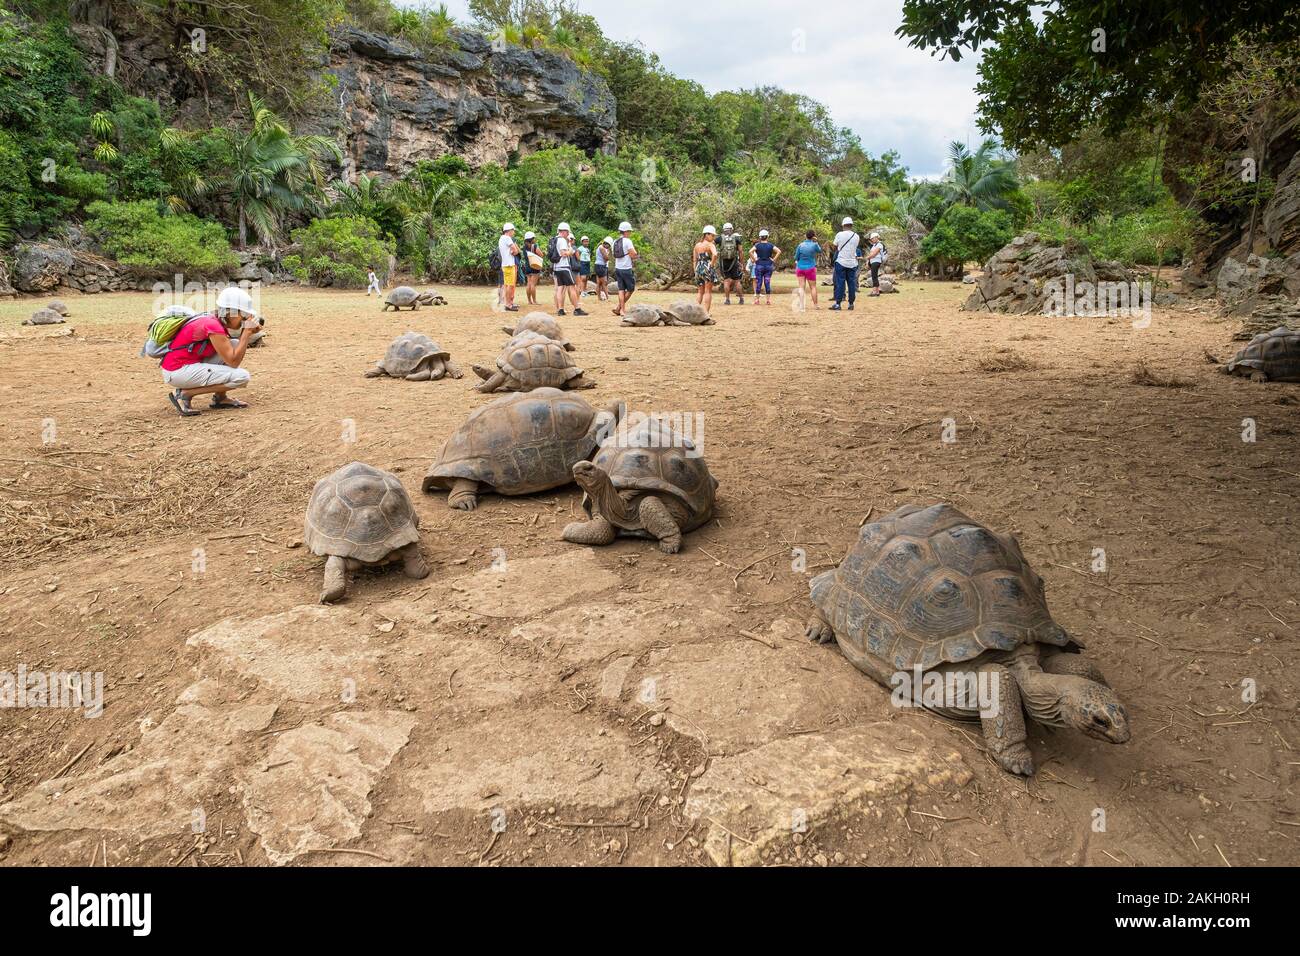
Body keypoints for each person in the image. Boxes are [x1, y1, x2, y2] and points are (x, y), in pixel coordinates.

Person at [161, 286, 259, 417]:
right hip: (177, 371)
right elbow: (233, 361)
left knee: (234, 344)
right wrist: (246, 333)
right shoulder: (213, 326)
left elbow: (230, 351)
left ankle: (220, 398)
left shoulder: (214, 317)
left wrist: (246, 331)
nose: (245, 319)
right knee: (241, 377)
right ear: (231, 312)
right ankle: (184, 393)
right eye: (244, 315)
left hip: (184, 365)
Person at [551, 222, 587, 316]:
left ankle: (560, 309)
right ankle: (577, 309)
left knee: (560, 288)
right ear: (564, 231)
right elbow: (564, 253)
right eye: (567, 232)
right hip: (564, 267)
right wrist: (571, 250)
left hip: (557, 267)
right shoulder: (562, 240)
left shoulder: (555, 239)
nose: (568, 234)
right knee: (572, 287)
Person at [830, 216, 863, 311]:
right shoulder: (856, 236)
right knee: (851, 283)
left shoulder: (839, 234)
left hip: (841, 262)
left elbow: (835, 246)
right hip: (853, 263)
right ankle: (851, 303)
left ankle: (838, 303)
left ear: (843, 225)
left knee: (840, 282)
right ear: (851, 225)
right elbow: (854, 247)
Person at [611, 222, 638, 317]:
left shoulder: (615, 241)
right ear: (626, 231)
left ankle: (621, 309)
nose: (630, 233)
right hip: (626, 268)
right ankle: (620, 308)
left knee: (621, 289)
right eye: (629, 231)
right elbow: (633, 254)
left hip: (618, 268)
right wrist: (636, 256)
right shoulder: (627, 241)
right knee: (630, 289)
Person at [749, 229, 781, 306]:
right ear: (767, 237)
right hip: (768, 266)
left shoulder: (757, 245)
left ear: (760, 237)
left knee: (759, 282)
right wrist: (773, 260)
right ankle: (768, 300)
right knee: (767, 282)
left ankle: (757, 300)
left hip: (759, 265)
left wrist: (755, 259)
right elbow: (779, 251)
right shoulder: (771, 245)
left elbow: (750, 251)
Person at [793, 230, 822, 310]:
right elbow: (820, 251)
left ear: (805, 236)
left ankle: (802, 306)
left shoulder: (800, 245)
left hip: (800, 268)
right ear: (813, 236)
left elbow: (796, 257)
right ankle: (816, 305)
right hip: (810, 268)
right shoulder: (814, 245)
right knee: (813, 287)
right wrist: (816, 242)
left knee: (801, 287)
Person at [694, 225, 720, 312]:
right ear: (706, 235)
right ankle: (706, 313)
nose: (714, 237)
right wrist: (711, 265)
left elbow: (694, 259)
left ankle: (696, 312)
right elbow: (715, 254)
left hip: (698, 267)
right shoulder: (710, 245)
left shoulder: (697, 245)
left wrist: (695, 270)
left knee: (700, 292)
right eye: (712, 235)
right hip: (707, 267)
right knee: (707, 291)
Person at [718, 222, 744, 305]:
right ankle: (741, 299)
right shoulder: (736, 239)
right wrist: (741, 263)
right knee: (737, 281)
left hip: (724, 262)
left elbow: (711, 247)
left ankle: (727, 300)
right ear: (732, 229)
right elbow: (740, 252)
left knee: (726, 281)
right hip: (734, 262)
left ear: (724, 230)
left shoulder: (720, 238)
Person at [498, 223, 521, 312]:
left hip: (504, 264)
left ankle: (507, 303)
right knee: (510, 285)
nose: (513, 232)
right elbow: (516, 250)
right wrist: (513, 252)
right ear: (509, 230)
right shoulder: (507, 238)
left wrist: (512, 251)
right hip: (509, 264)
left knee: (507, 284)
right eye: (513, 230)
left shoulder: (501, 238)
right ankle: (508, 304)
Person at [521, 231, 542, 305]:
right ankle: (534, 301)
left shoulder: (524, 247)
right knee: (533, 284)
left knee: (529, 284)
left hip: (527, 266)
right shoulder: (534, 246)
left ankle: (529, 301)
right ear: (532, 239)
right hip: (534, 266)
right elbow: (541, 254)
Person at [865, 231, 886, 297]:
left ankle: (874, 291)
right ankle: (877, 291)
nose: (872, 239)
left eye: (873, 238)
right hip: (873, 261)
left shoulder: (879, 244)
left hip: (876, 261)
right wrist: (868, 261)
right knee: (874, 276)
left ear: (877, 237)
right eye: (871, 239)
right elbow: (871, 254)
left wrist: (867, 258)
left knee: (874, 276)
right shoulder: (874, 245)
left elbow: (874, 254)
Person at [593, 236, 613, 301]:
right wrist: (608, 256)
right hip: (600, 266)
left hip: (598, 265)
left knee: (599, 283)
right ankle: (607, 297)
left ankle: (599, 297)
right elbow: (606, 258)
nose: (608, 247)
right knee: (604, 282)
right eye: (608, 246)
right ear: (606, 243)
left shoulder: (601, 247)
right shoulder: (602, 248)